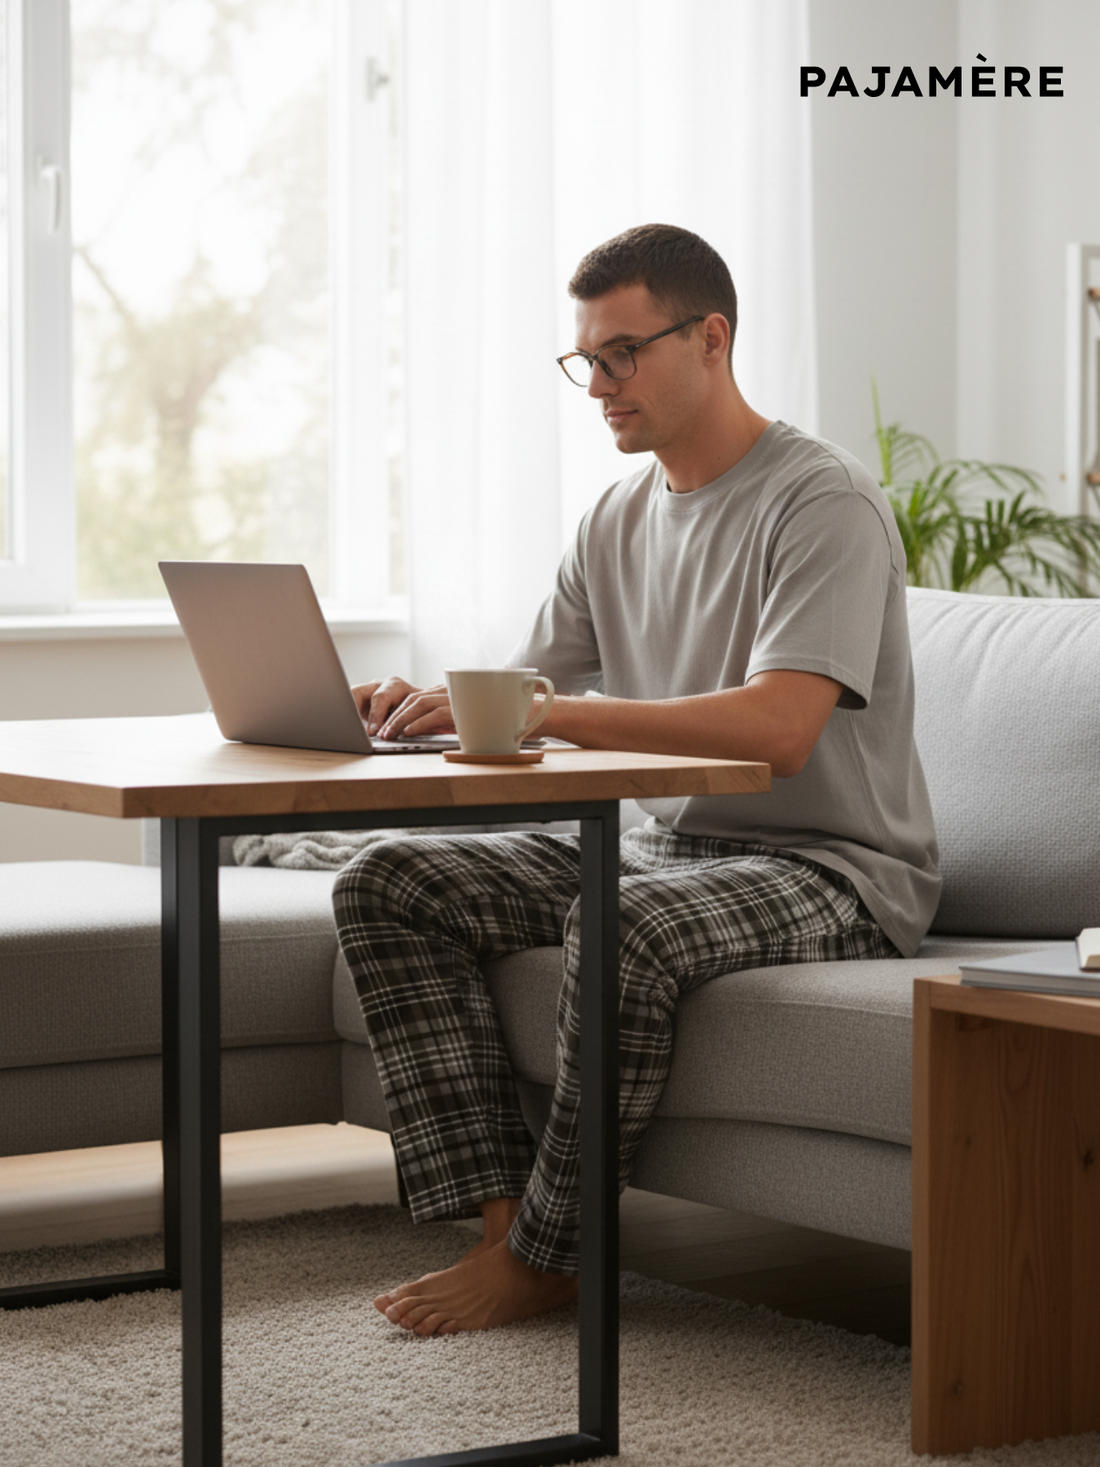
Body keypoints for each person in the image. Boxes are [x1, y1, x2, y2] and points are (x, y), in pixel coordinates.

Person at [332, 222, 939, 1338]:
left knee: (625, 922)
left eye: (622, 354)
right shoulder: (612, 517)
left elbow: (779, 727)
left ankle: (560, 1249)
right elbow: (532, 692)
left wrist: (548, 712)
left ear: (710, 339)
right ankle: (506, 1221)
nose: (598, 386)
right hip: (667, 847)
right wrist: (412, 707)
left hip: (830, 868)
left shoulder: (820, 502)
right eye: (585, 361)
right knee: (389, 879)